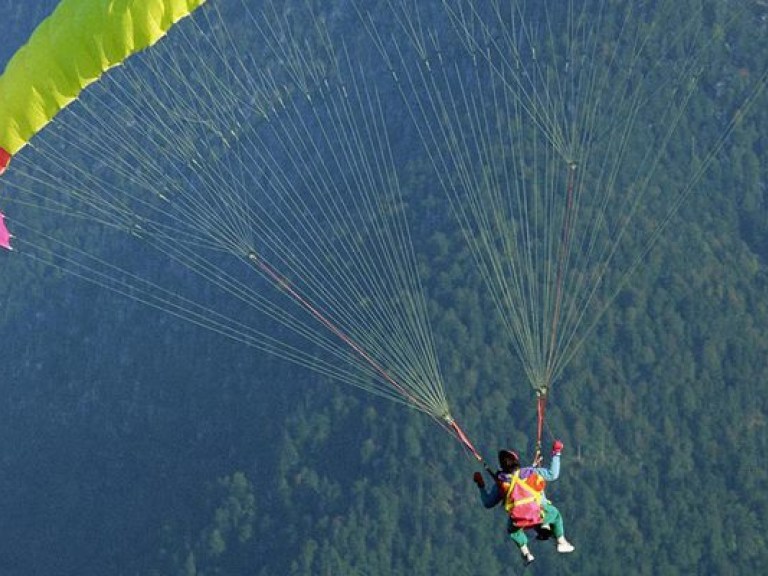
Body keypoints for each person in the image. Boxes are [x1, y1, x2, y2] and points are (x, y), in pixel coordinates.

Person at [473, 440, 574, 566]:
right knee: (556, 515)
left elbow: (488, 503)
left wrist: (481, 486)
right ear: (516, 461)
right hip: (539, 514)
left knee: (513, 530)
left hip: (518, 520)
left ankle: (526, 553)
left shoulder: (502, 483)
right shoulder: (531, 473)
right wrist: (556, 453)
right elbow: (553, 474)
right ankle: (561, 541)